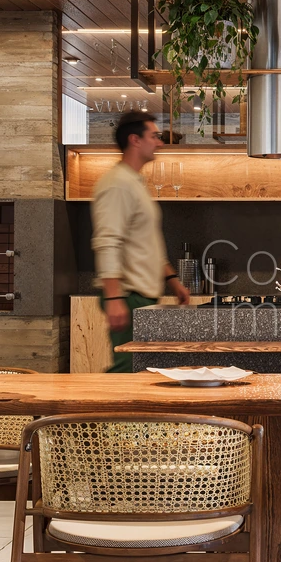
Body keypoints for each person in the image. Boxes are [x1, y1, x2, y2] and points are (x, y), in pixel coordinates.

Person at [91, 110, 190, 372]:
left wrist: (173, 281)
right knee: (128, 372)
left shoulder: (134, 182)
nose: (160, 143)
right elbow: (107, 242)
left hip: (140, 298)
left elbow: (147, 242)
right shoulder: (117, 184)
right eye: (154, 136)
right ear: (135, 140)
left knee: (139, 370)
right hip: (128, 297)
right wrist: (114, 298)